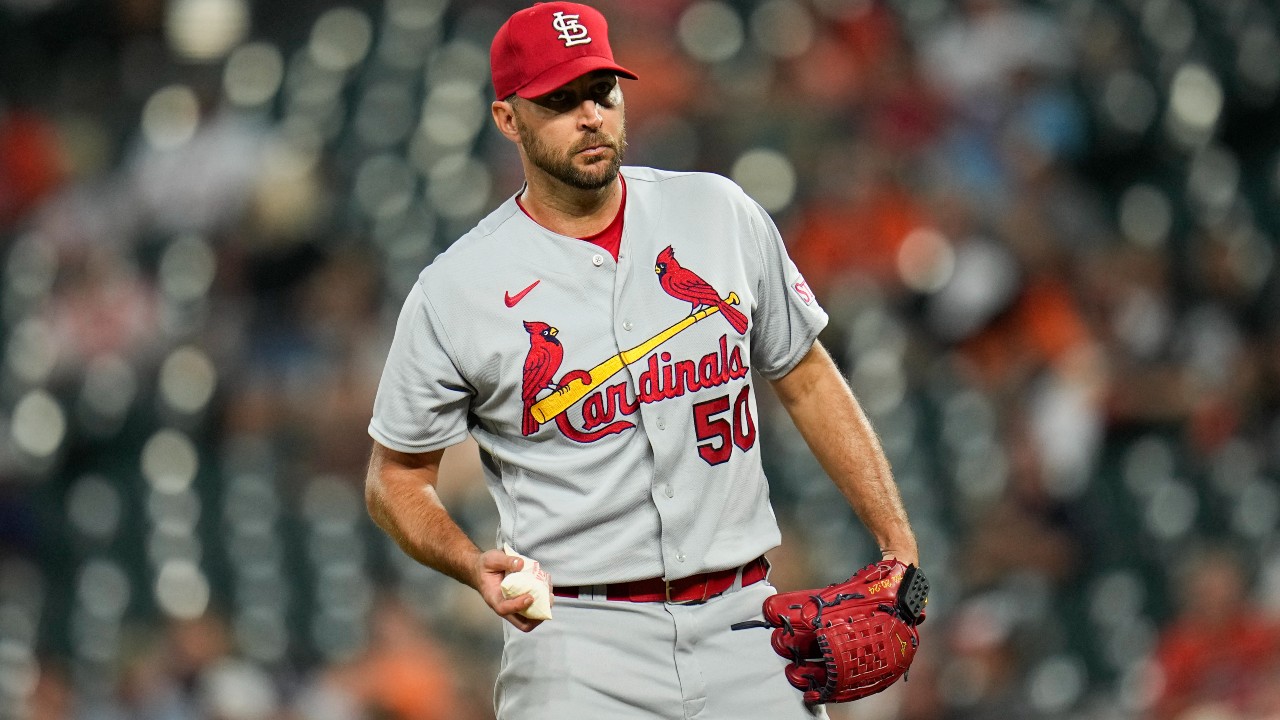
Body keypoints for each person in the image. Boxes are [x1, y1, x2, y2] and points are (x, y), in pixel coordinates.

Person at [364, 3, 919, 718]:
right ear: (509, 120)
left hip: (747, 622)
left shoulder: (719, 214)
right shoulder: (457, 288)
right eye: (560, 101)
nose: (589, 115)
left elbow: (806, 375)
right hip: (577, 640)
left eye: (602, 92)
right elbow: (396, 477)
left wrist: (897, 542)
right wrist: (470, 564)